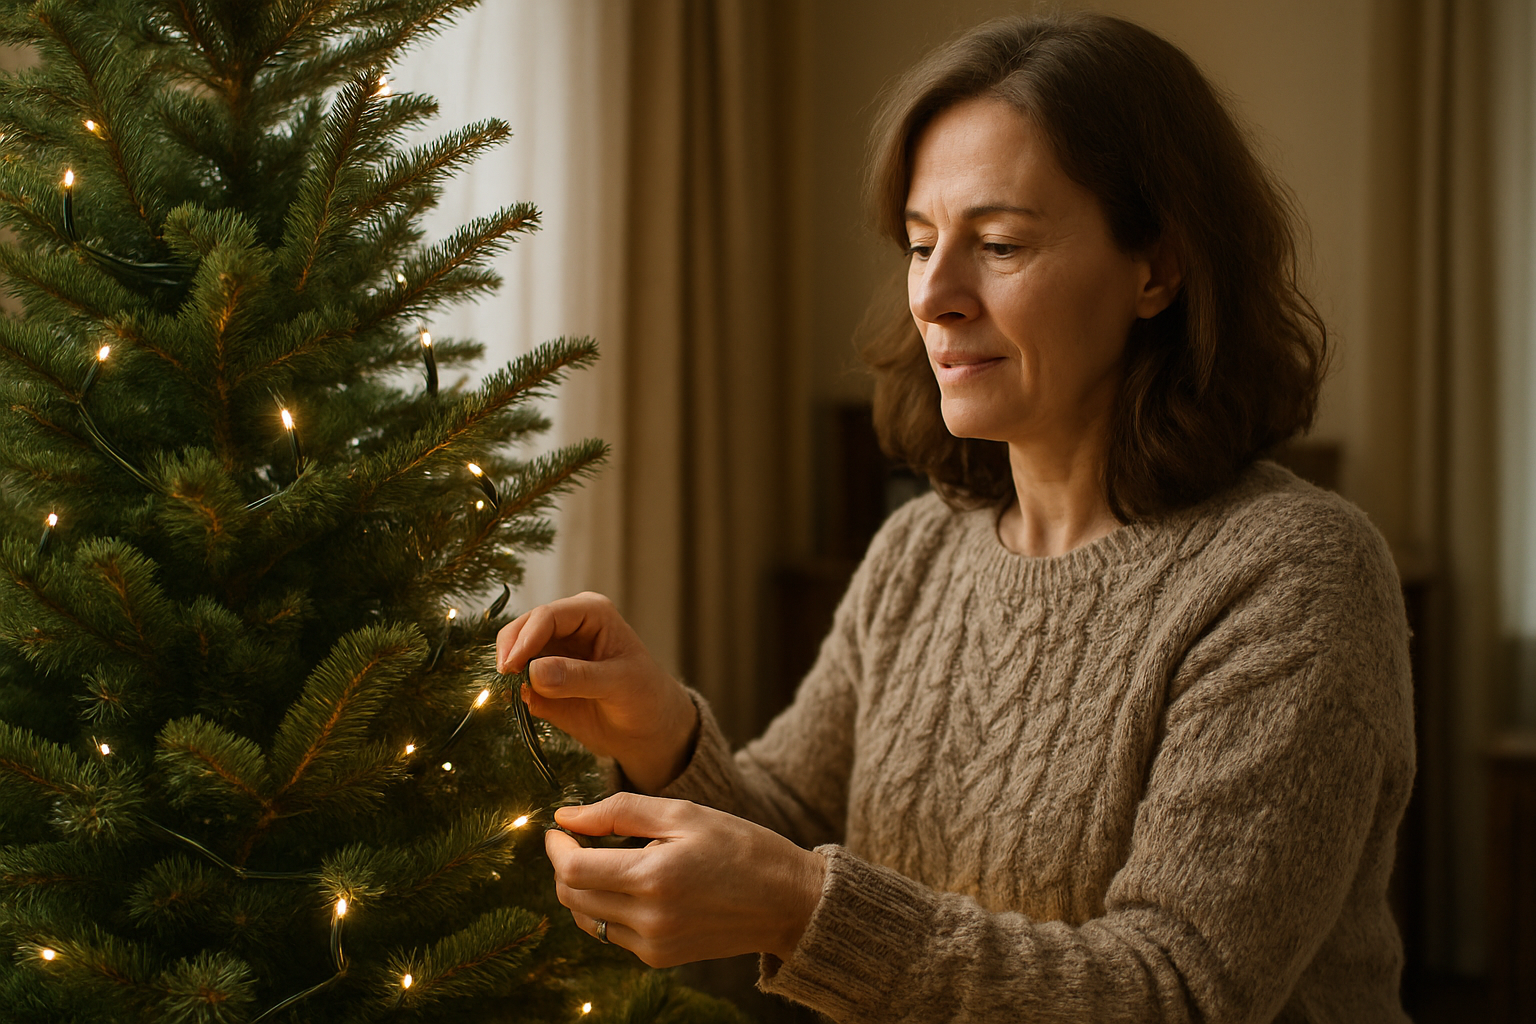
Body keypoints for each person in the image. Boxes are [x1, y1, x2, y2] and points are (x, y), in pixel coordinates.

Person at [496, 13, 1414, 1023]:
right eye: (922, 243)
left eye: (1001, 243)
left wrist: (804, 910)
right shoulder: (920, 548)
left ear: (1159, 267)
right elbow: (787, 827)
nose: (933, 295)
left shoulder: (1297, 575)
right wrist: (658, 729)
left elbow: (1178, 991)